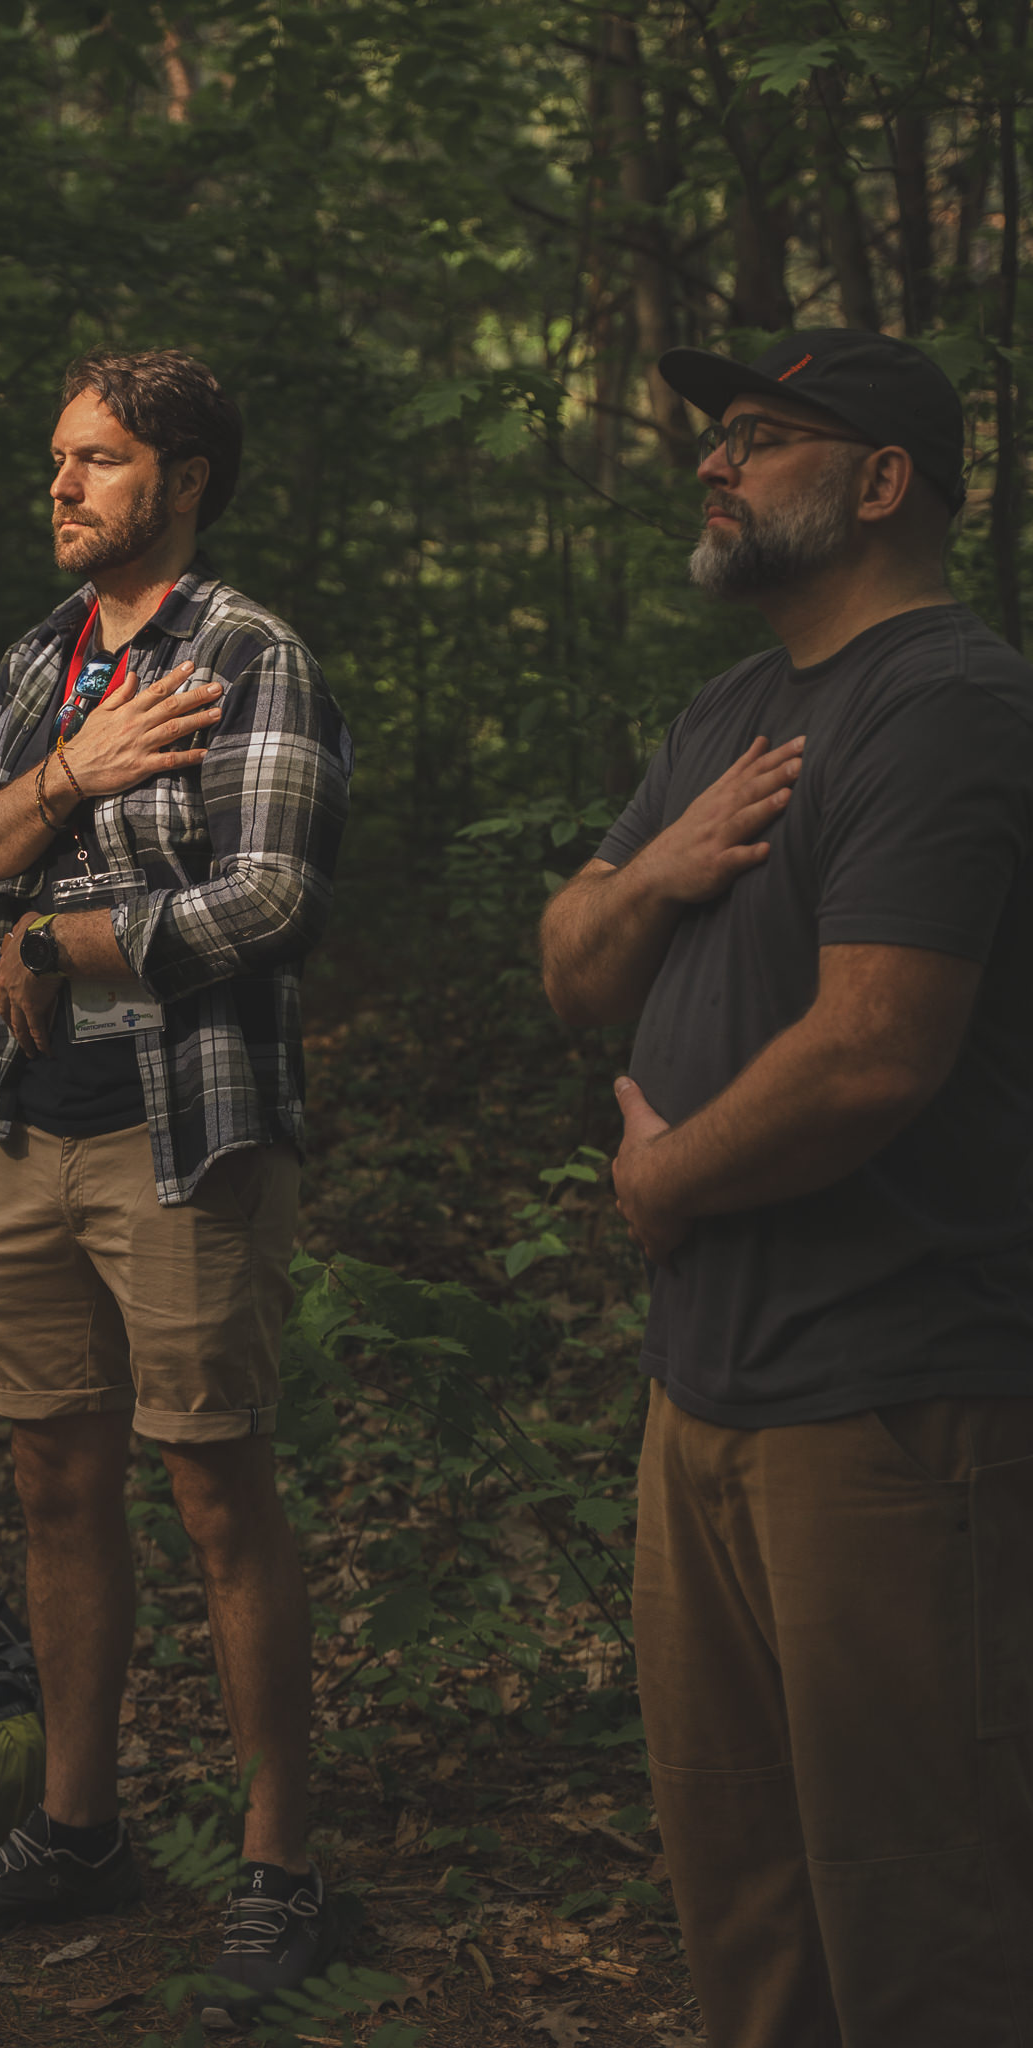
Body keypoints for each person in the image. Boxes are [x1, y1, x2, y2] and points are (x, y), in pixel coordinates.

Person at [538, 329, 1033, 2048]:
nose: (712, 462)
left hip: (895, 1403)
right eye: (718, 436)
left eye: (758, 436)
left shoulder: (948, 703)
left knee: (925, 1920)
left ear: (882, 483)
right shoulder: (726, 716)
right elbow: (573, 966)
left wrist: (664, 1180)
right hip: (706, 1394)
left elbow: (875, 1052)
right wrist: (659, 868)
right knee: (747, 1909)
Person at [0, 349, 352, 2029]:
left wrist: (61, 935)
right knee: (51, 1479)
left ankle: (280, 1867)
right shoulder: (41, 661)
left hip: (189, 1127)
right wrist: (74, 775)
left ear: (184, 478)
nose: (63, 484)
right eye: (58, 457)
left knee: (215, 1487)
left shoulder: (250, 655)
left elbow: (275, 899)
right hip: (29, 1126)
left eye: (96, 458)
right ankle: (79, 1828)